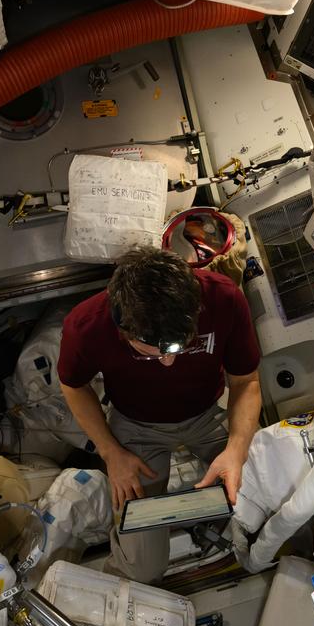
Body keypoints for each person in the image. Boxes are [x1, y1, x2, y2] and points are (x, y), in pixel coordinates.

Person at [57, 245, 262, 584]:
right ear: (123, 328)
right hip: (137, 426)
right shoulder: (86, 325)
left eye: (180, 347)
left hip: (209, 414)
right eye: (153, 353)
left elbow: (246, 381)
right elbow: (74, 387)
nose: (169, 362)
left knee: (266, 489)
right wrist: (111, 454)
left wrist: (237, 449)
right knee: (142, 568)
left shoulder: (223, 298)